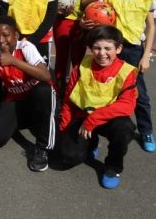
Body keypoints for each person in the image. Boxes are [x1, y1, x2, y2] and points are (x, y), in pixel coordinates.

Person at [58, 25, 137, 189]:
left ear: (119, 48)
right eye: (97, 48)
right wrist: (64, 129)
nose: (102, 53)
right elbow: (68, 100)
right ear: (90, 49)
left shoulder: (126, 72)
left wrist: (93, 119)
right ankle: (91, 143)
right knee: (67, 156)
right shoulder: (81, 67)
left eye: (108, 48)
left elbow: (127, 105)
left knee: (125, 128)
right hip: (83, 118)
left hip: (108, 120)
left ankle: (113, 167)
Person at [0, 16, 56, 172]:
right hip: (17, 101)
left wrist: (14, 61)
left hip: (38, 98)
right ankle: (27, 121)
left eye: (6, 35)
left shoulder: (26, 47)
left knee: (44, 91)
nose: (1, 40)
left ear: (16, 35)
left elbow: (46, 76)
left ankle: (42, 148)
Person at [101, 0, 156, 153]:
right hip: (112, 51)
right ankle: (103, 133)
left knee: (139, 94)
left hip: (134, 50)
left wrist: (146, 56)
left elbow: (151, 27)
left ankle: (146, 131)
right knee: (108, 92)